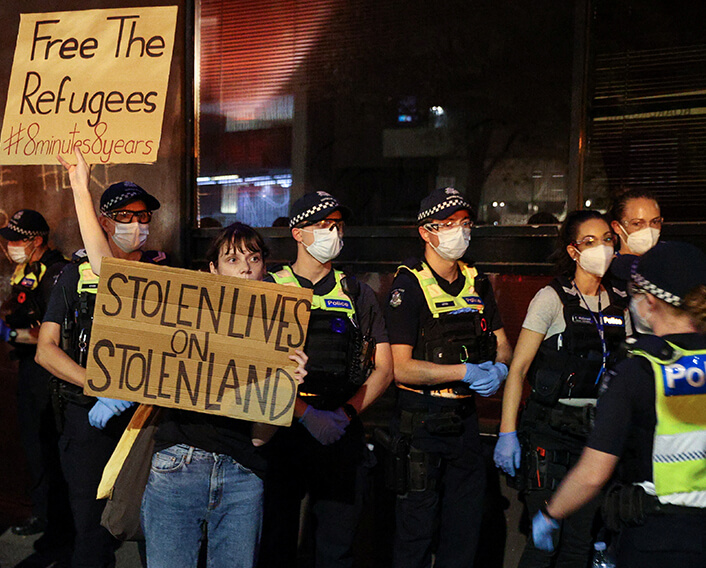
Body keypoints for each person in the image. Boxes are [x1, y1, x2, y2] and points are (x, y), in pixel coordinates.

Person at [142, 222, 308, 568]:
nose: (246, 266)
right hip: (179, 464)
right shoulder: (184, 314)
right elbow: (106, 271)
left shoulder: (281, 336)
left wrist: (286, 389)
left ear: (265, 269)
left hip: (242, 474)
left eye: (255, 257)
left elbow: (261, 439)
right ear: (213, 270)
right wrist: (80, 188)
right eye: (233, 259)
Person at [532, 241, 706, 568]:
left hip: (656, 540)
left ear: (650, 302)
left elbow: (593, 474)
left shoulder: (640, 371)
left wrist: (551, 513)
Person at [37, 155, 167, 567]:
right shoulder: (74, 275)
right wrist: (98, 383)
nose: (138, 225)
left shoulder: (165, 271)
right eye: (126, 216)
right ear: (105, 222)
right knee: (93, 536)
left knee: (159, 529)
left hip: (148, 418)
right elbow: (46, 349)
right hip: (88, 417)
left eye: (143, 216)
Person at [258, 191, 394, 568]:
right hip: (280, 428)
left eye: (337, 225)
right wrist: (305, 414)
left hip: (338, 428)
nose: (333, 232)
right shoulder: (269, 285)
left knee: (337, 548)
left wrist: (345, 415)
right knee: (274, 544)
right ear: (298, 234)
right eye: (323, 225)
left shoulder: (357, 292)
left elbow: (384, 368)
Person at [385, 186, 512, 568]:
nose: (460, 231)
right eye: (448, 224)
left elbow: (502, 343)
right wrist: (464, 371)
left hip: (465, 420)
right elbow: (401, 367)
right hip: (421, 420)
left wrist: (500, 369)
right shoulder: (408, 286)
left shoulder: (477, 281)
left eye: (465, 223)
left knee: (464, 532)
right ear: (426, 232)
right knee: (415, 534)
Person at [495, 210, 629, 568]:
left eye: (606, 239)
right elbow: (519, 368)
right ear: (572, 251)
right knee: (544, 545)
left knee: (579, 545)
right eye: (589, 241)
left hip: (595, 437)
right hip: (549, 434)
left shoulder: (619, 298)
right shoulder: (551, 298)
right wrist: (506, 432)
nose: (601, 247)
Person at [0, 209, 70, 540]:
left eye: (17, 239)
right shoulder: (26, 270)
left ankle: (58, 524)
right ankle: (43, 514)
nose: (10, 246)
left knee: (48, 447)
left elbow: (52, 333)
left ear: (37, 240)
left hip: (47, 374)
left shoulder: (57, 272)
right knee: (34, 446)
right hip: (27, 369)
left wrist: (8, 335)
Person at [607, 188, 662, 286]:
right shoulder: (608, 272)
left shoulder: (668, 263)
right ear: (617, 227)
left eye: (655, 222)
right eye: (637, 224)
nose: (648, 230)